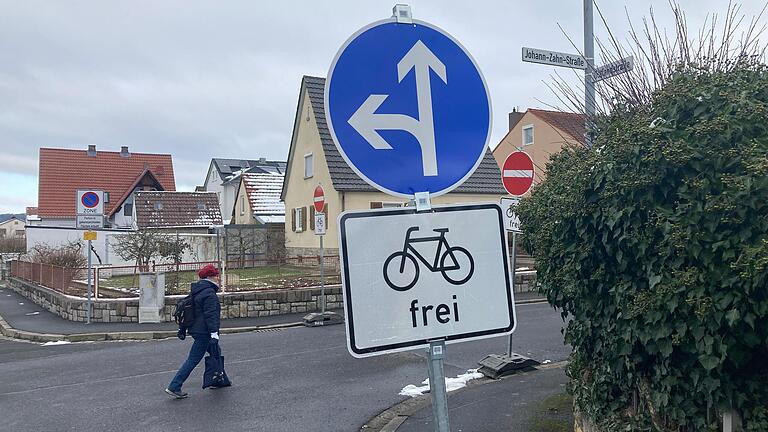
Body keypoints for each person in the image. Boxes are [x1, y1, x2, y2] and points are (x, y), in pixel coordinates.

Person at [165, 264, 222, 399]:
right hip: (205, 332)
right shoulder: (209, 293)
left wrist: (183, 329)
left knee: (216, 353)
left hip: (196, 329)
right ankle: (174, 386)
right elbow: (211, 314)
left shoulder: (197, 290)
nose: (218, 279)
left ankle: (219, 379)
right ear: (210, 277)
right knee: (193, 359)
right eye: (216, 276)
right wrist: (214, 333)